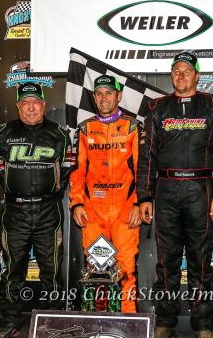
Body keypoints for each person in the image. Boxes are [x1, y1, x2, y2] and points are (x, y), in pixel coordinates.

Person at [137, 52, 213, 338]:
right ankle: (165, 321)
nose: (181, 75)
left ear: (197, 75)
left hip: (200, 190)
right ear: (171, 75)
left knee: (201, 259)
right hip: (165, 191)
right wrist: (144, 196)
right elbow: (146, 156)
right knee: (166, 261)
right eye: (176, 70)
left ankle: (203, 326)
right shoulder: (156, 107)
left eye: (187, 71)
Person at [0, 82, 74, 338]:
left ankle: (55, 319)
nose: (31, 107)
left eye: (35, 102)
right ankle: (10, 320)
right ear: (18, 106)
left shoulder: (59, 134)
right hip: (14, 212)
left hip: (48, 211)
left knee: (51, 268)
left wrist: (52, 187)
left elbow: (70, 163)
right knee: (13, 268)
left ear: (43, 105)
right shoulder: (3, 133)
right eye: (25, 103)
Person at [69, 74, 142, 313]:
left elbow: (142, 170)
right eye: (99, 93)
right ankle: (97, 320)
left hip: (125, 212)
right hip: (94, 214)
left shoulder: (133, 127)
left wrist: (139, 203)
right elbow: (77, 171)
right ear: (94, 98)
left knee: (126, 269)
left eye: (109, 93)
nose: (103, 98)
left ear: (119, 96)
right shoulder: (85, 128)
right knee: (97, 269)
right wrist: (77, 204)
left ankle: (130, 321)